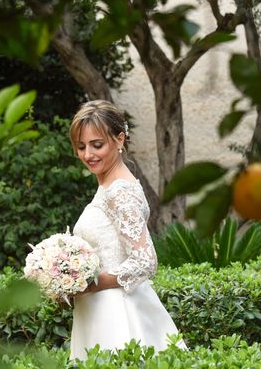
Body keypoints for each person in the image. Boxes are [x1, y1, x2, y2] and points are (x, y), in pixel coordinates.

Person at [68, 100, 187, 360]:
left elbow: (145, 261)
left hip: (116, 315)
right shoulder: (109, 186)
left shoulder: (120, 192)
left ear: (119, 139)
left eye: (97, 145)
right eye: (81, 147)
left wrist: (90, 285)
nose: (88, 154)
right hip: (97, 310)